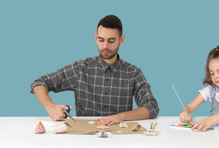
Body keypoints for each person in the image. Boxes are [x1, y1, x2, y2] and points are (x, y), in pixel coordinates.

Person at [31, 15, 159, 125]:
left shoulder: (133, 73)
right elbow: (40, 82)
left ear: (121, 40)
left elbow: (151, 107)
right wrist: (50, 107)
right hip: (85, 139)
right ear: (95, 38)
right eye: (101, 40)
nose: (105, 46)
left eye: (111, 41)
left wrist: (121, 117)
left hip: (120, 140)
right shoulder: (80, 69)